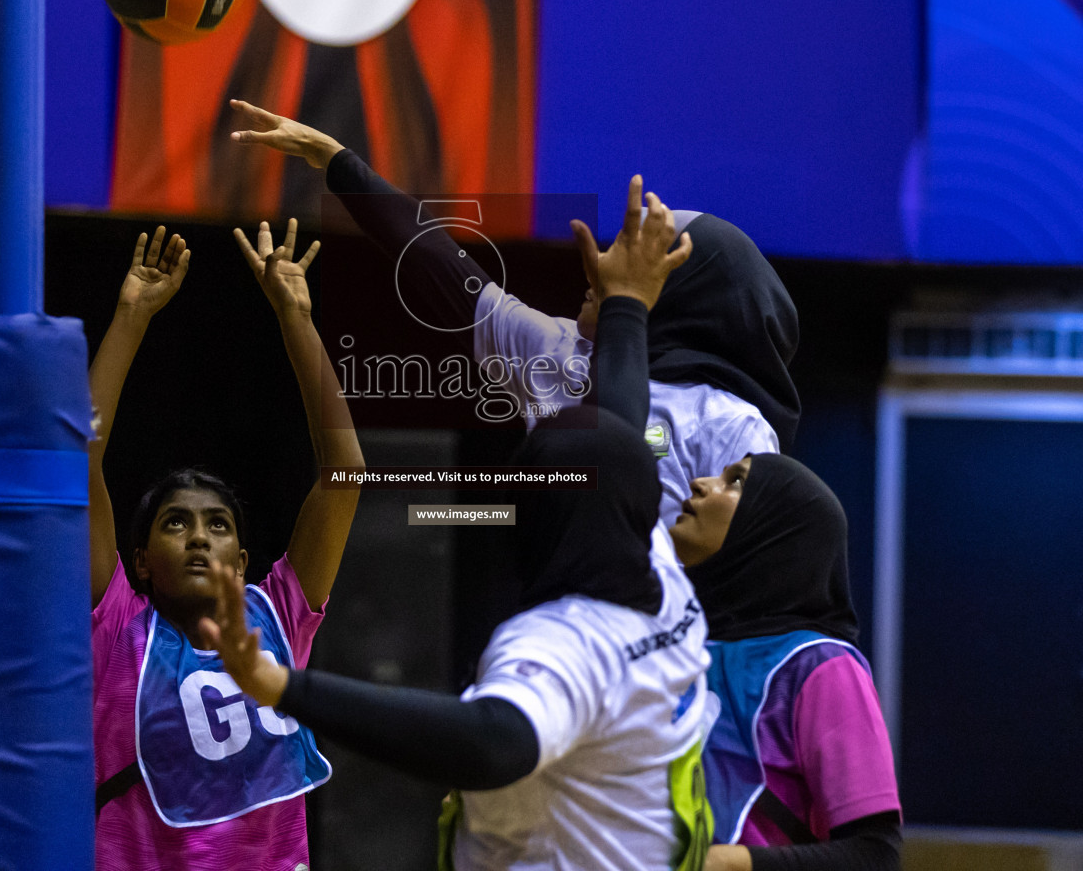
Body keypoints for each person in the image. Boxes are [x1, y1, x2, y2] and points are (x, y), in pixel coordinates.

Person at [227, 99, 801, 547]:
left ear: (684, 303)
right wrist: (337, 163)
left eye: (633, 264)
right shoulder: (561, 352)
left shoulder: (732, 426)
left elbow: (750, 572)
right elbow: (440, 265)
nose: (599, 269)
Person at [198, 407, 716, 871]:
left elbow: (492, 741)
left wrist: (283, 687)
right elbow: (613, 447)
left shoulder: (564, 646)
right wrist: (626, 304)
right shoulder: (664, 577)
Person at [585, 217, 902, 870]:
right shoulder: (673, 650)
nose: (701, 482)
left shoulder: (821, 667)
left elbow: (875, 854)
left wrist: (727, 863)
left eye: (735, 482)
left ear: (769, 532)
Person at [86, 223, 364, 871]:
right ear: (141, 564)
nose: (200, 538)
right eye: (176, 524)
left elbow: (345, 474)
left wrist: (296, 316)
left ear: (243, 563)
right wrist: (131, 313)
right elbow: (81, 459)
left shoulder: (279, 617)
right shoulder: (119, 623)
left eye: (217, 525)